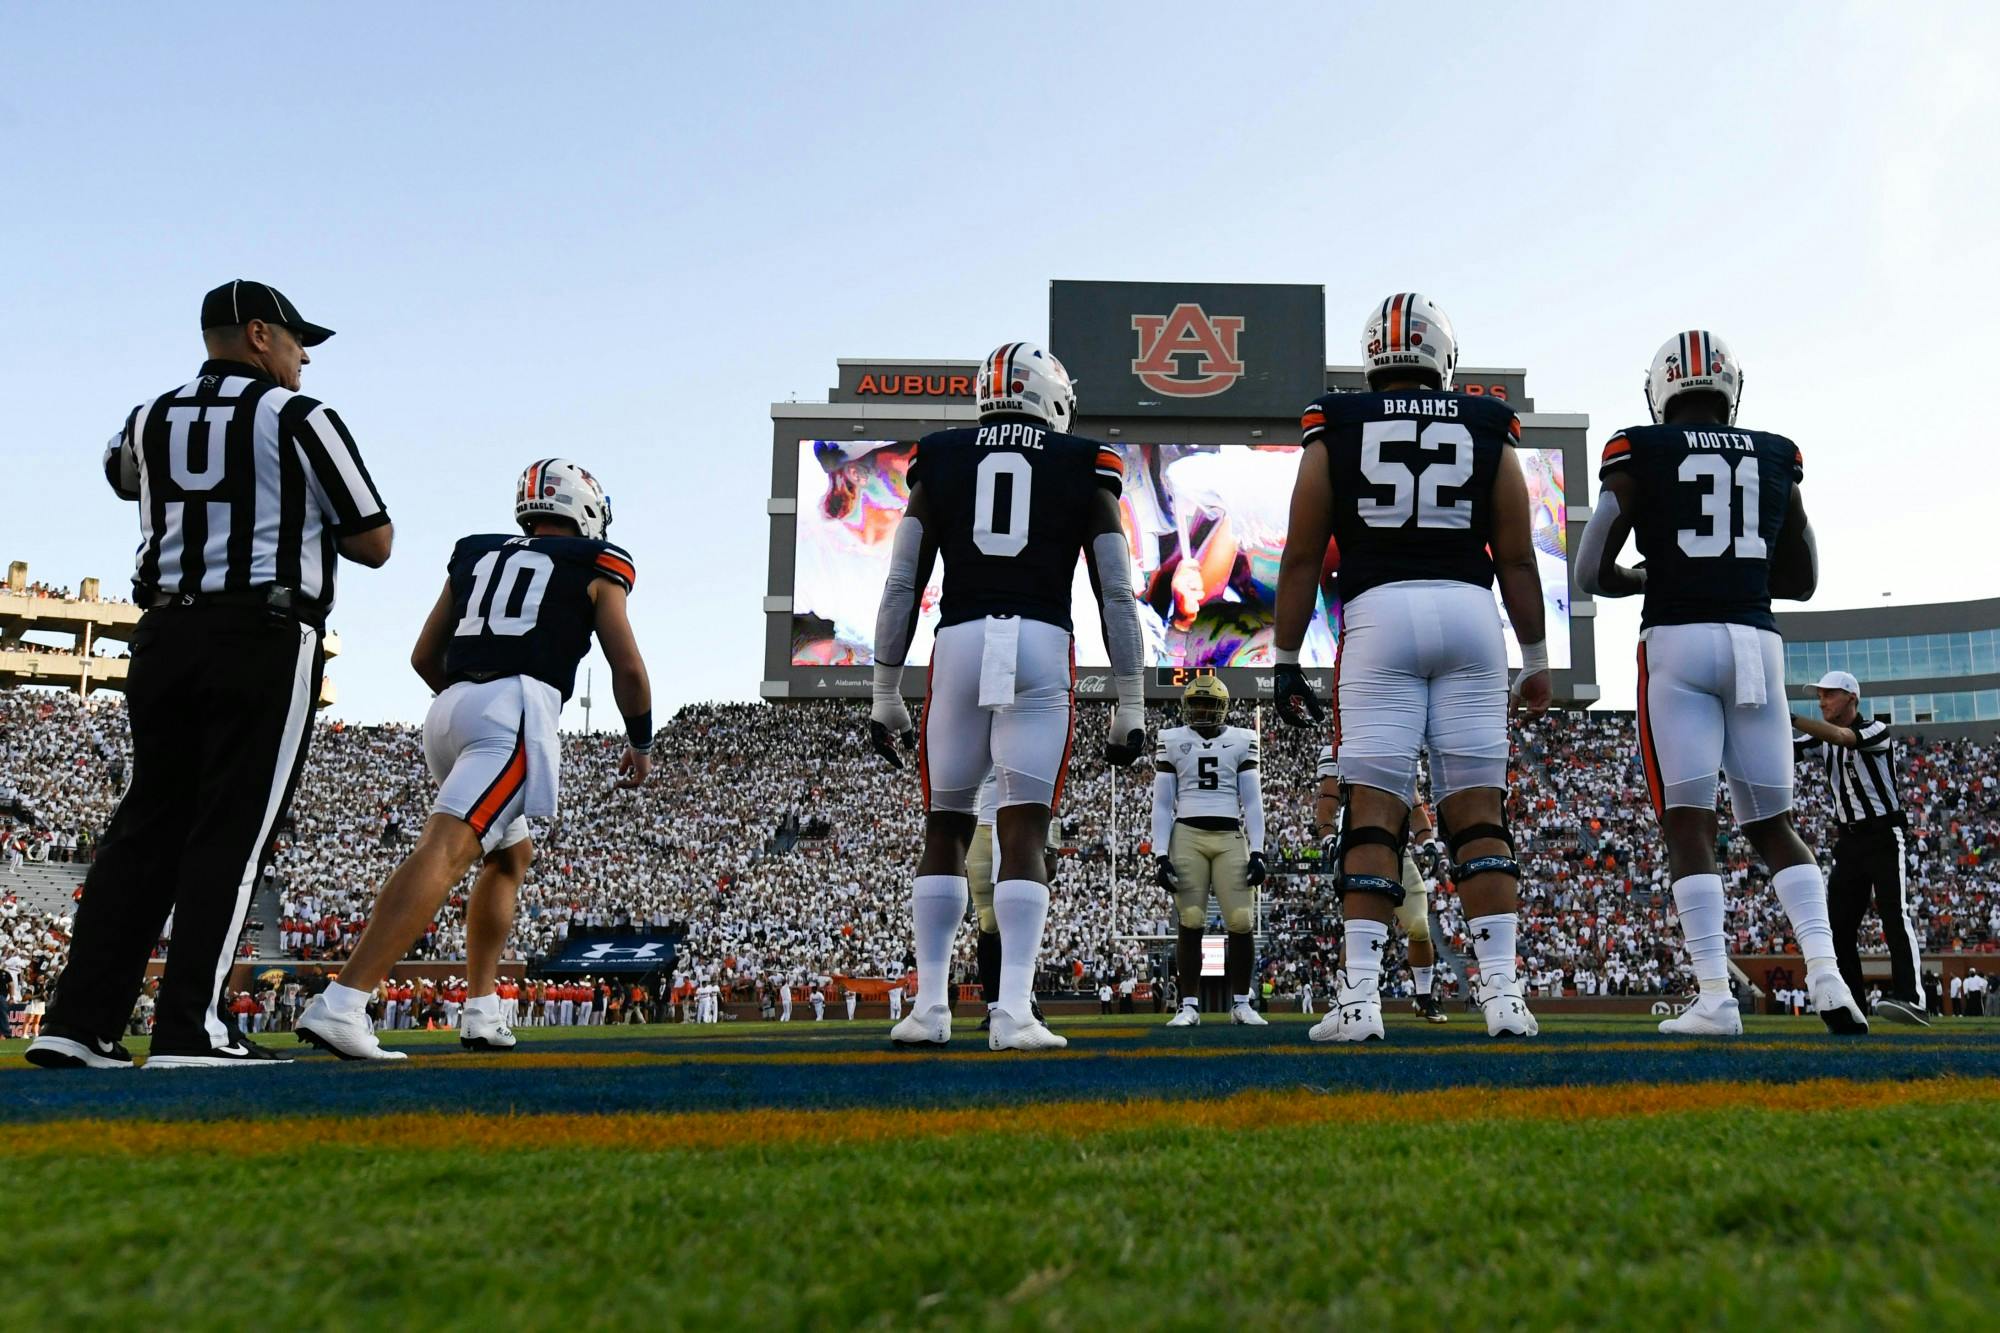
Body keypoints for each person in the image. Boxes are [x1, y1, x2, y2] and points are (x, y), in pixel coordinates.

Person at [31, 280, 391, 1071]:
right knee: (233, 829)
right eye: (298, 341)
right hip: (260, 630)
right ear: (258, 335)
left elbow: (120, 474)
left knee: (143, 831)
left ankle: (77, 1020)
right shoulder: (301, 417)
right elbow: (374, 539)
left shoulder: (148, 416)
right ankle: (191, 1026)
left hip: (162, 632)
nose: (303, 358)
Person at [298, 458, 653, 1058]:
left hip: (449, 706)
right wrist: (640, 742)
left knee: (510, 856)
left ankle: (482, 1010)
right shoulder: (600, 562)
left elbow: (422, 656)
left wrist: (469, 700)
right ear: (586, 510)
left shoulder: (476, 552)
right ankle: (344, 1000)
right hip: (512, 710)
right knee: (447, 849)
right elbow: (628, 667)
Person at [1273, 293, 1549, 1043]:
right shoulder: (1488, 424)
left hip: (1379, 615)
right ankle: (1503, 996)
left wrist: (1288, 657)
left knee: (1374, 813)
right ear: (1443, 360)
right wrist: (1537, 657)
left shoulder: (1335, 422)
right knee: (1478, 812)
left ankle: (1361, 1002)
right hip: (1469, 613)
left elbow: (1301, 552)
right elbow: (1517, 554)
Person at [1576, 329, 1865, 1037]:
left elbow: (1590, 564)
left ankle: (1715, 995)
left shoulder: (1637, 448)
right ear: (1731, 390)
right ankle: (1828, 976)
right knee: (1775, 826)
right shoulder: (1774, 452)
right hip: (1756, 644)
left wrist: (1643, 575)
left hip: (1677, 640)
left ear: (1661, 389)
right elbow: (1803, 577)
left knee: (1689, 823)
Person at [869, 341, 1147, 1053]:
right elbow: (1115, 587)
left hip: (958, 641)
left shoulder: (943, 456)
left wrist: (883, 687)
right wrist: (1132, 701)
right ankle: (1011, 1012)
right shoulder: (1085, 461)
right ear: (1052, 398)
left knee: (946, 825)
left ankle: (930, 1007)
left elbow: (903, 580)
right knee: (1022, 828)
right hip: (1039, 640)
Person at [1792, 671, 1927, 1025]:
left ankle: (1912, 998)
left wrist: (1788, 717)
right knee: (1839, 925)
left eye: (1829, 695)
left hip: (1883, 835)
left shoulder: (1875, 731)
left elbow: (1841, 737)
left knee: (1894, 914)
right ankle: (1852, 1004)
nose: (1822, 702)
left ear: (1851, 697)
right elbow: (1789, 749)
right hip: (1849, 841)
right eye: (1819, 696)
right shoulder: (1818, 739)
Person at [1154, 675, 1268, 1028]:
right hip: (1187, 833)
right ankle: (1188, 1005)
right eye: (1197, 704)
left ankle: (1241, 1004)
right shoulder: (1172, 740)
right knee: (1190, 921)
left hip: (1229, 833)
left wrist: (1259, 850)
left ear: (1222, 707)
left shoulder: (1242, 739)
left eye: (1208, 704)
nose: (1202, 710)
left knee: (1241, 921)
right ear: (1187, 707)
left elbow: (1252, 800)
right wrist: (1160, 854)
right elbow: (1162, 803)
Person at [1314, 749, 1451, 1023]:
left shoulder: (1400, 746)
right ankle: (1347, 994)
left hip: (1398, 852)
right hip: (1360, 849)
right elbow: (1327, 803)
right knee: (1360, 926)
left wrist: (1427, 842)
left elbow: (1413, 807)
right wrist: (1328, 838)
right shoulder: (1341, 750)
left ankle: (1423, 998)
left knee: (1420, 926)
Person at [965, 770, 1061, 1030]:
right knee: (988, 923)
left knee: (1017, 924)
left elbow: (1047, 785)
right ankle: (995, 1006)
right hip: (978, 826)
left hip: (1018, 825)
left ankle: (1026, 1002)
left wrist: (1052, 846)